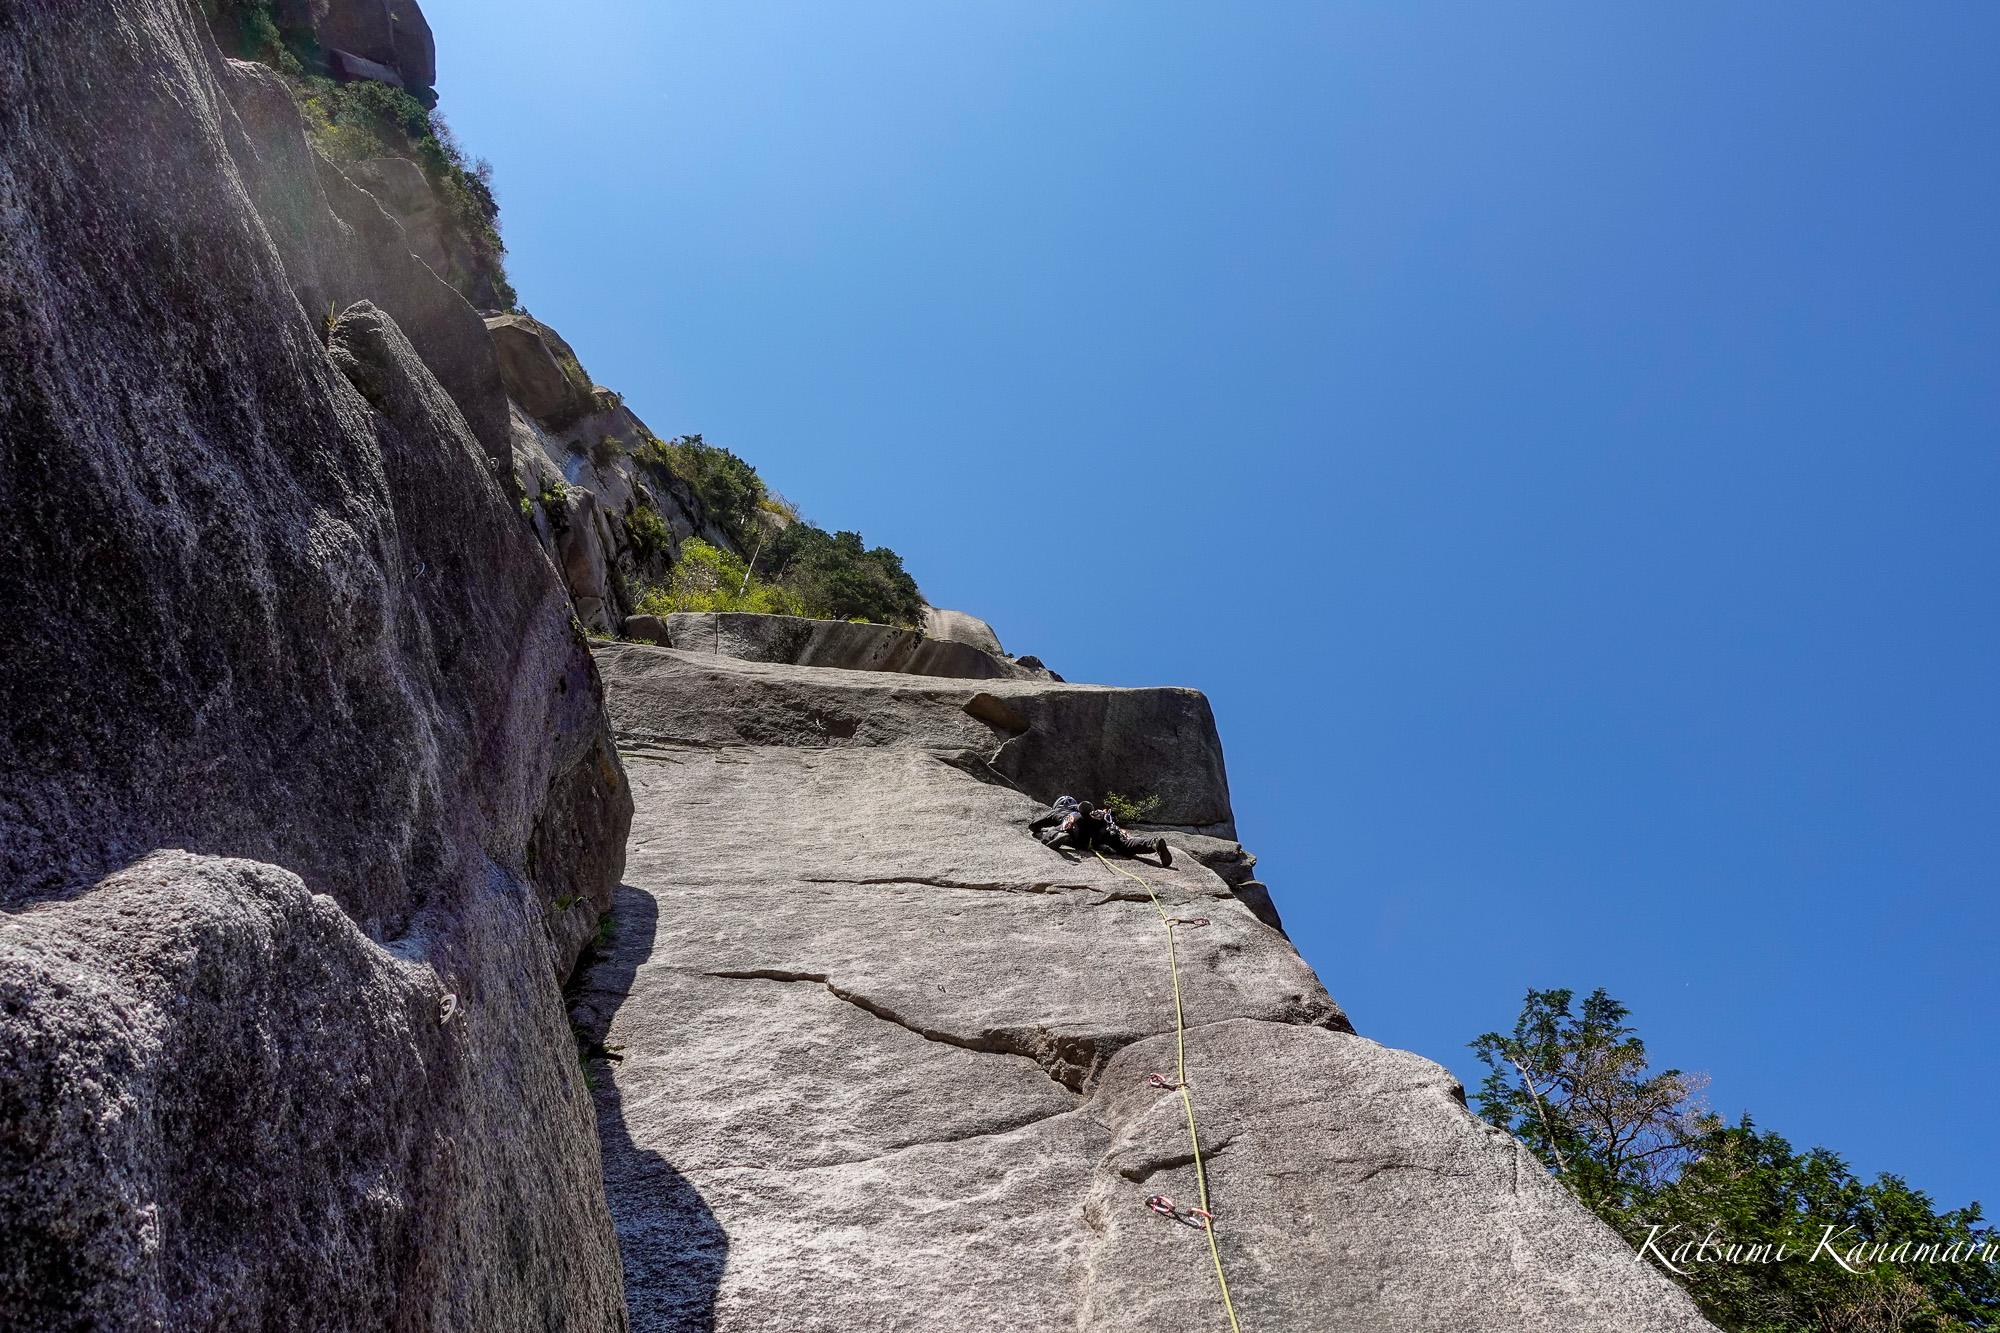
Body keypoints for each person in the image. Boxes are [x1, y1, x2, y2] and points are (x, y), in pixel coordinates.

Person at [1029, 795, 1173, 866]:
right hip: (1100, 826)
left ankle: (1061, 835)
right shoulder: (1086, 813)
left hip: (1075, 825)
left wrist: (1038, 829)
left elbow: (1034, 826)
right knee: (1125, 844)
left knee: (1056, 831)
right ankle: (1153, 844)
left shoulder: (1059, 811)